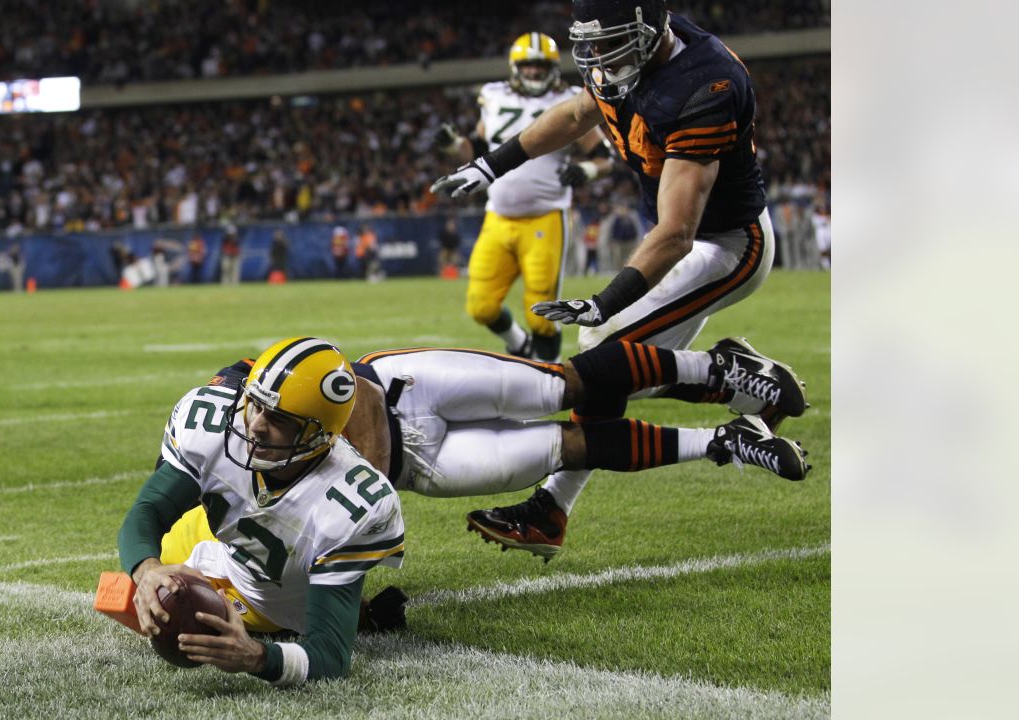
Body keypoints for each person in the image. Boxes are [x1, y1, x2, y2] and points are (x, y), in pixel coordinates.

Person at [432, 1, 785, 547]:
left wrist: (606, 300)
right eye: (592, 42)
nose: (598, 56)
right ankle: (729, 379)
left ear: (650, 31)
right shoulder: (631, 59)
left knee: (603, 354)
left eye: (612, 40)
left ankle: (552, 508)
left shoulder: (704, 85)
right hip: (687, 238)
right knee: (610, 366)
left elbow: (676, 234)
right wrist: (490, 164)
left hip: (727, 245)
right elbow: (577, 114)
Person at [209, 335, 809, 561]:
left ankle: (714, 364)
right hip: (419, 468)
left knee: (562, 384)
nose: (255, 430)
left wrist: (244, 387)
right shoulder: (264, 515)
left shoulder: (237, 409)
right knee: (566, 448)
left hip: (402, 389)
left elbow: (287, 362)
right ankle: (724, 442)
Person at [118, 337, 405, 686]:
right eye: (255, 403)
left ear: (319, 435)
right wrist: (146, 570)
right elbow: (147, 511)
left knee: (193, 620)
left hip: (267, 598)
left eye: (279, 418)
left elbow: (330, 656)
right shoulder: (219, 425)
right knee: (145, 583)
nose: (254, 425)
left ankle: (358, 610)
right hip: (216, 536)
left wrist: (255, 656)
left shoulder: (352, 502)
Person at [433, 31, 612, 363]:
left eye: (541, 65)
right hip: (498, 217)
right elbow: (478, 151)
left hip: (546, 216)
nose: (533, 72)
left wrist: (586, 170)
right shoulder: (493, 95)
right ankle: (518, 345)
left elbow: (604, 156)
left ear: (554, 68)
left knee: (541, 316)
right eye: (528, 65)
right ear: (516, 67)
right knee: (481, 305)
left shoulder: (572, 99)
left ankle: (548, 379)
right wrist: (453, 146)